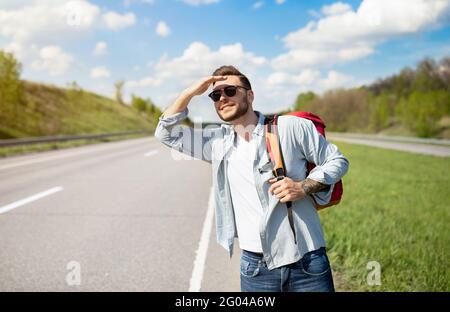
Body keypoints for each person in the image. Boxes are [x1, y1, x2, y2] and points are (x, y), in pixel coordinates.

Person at [155, 65, 349, 292]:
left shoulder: (290, 127)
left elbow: (337, 161)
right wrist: (189, 92)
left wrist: (303, 187)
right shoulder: (217, 143)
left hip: (308, 262)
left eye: (229, 91)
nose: (222, 99)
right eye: (215, 95)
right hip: (256, 268)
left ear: (250, 94)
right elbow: (165, 133)